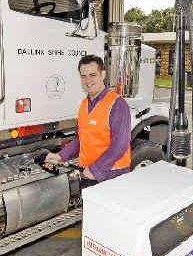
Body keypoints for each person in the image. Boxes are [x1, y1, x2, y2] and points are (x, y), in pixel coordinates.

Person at [45, 55, 131, 186]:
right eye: (83, 76)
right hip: (87, 173)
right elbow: (81, 139)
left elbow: (120, 145)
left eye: (92, 75)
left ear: (103, 75)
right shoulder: (84, 104)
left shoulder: (117, 104)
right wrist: (61, 156)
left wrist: (96, 169)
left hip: (111, 175)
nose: (88, 80)